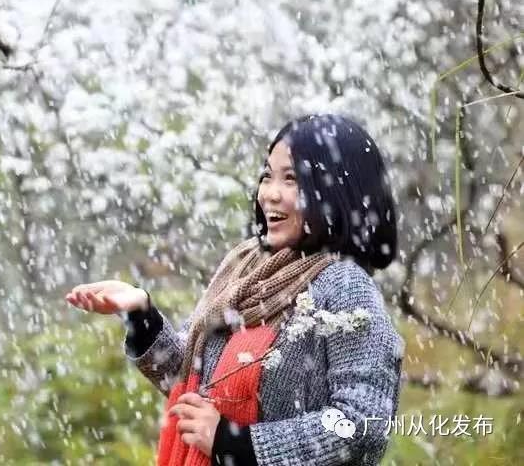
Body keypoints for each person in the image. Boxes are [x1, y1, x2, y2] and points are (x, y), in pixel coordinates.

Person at [67, 114, 403, 466]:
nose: (269, 194)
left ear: (336, 190)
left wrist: (238, 444)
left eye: (291, 179)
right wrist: (141, 315)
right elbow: (195, 382)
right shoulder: (245, 267)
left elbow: (363, 426)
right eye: (267, 176)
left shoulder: (345, 289)